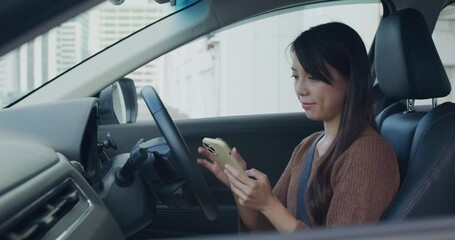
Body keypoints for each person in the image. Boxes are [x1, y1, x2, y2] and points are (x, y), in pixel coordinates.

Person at [197, 22, 400, 232]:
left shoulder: (369, 154)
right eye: (295, 76)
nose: (300, 89)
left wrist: (269, 204)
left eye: (312, 77)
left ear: (349, 82)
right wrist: (241, 189)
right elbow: (266, 229)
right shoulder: (308, 145)